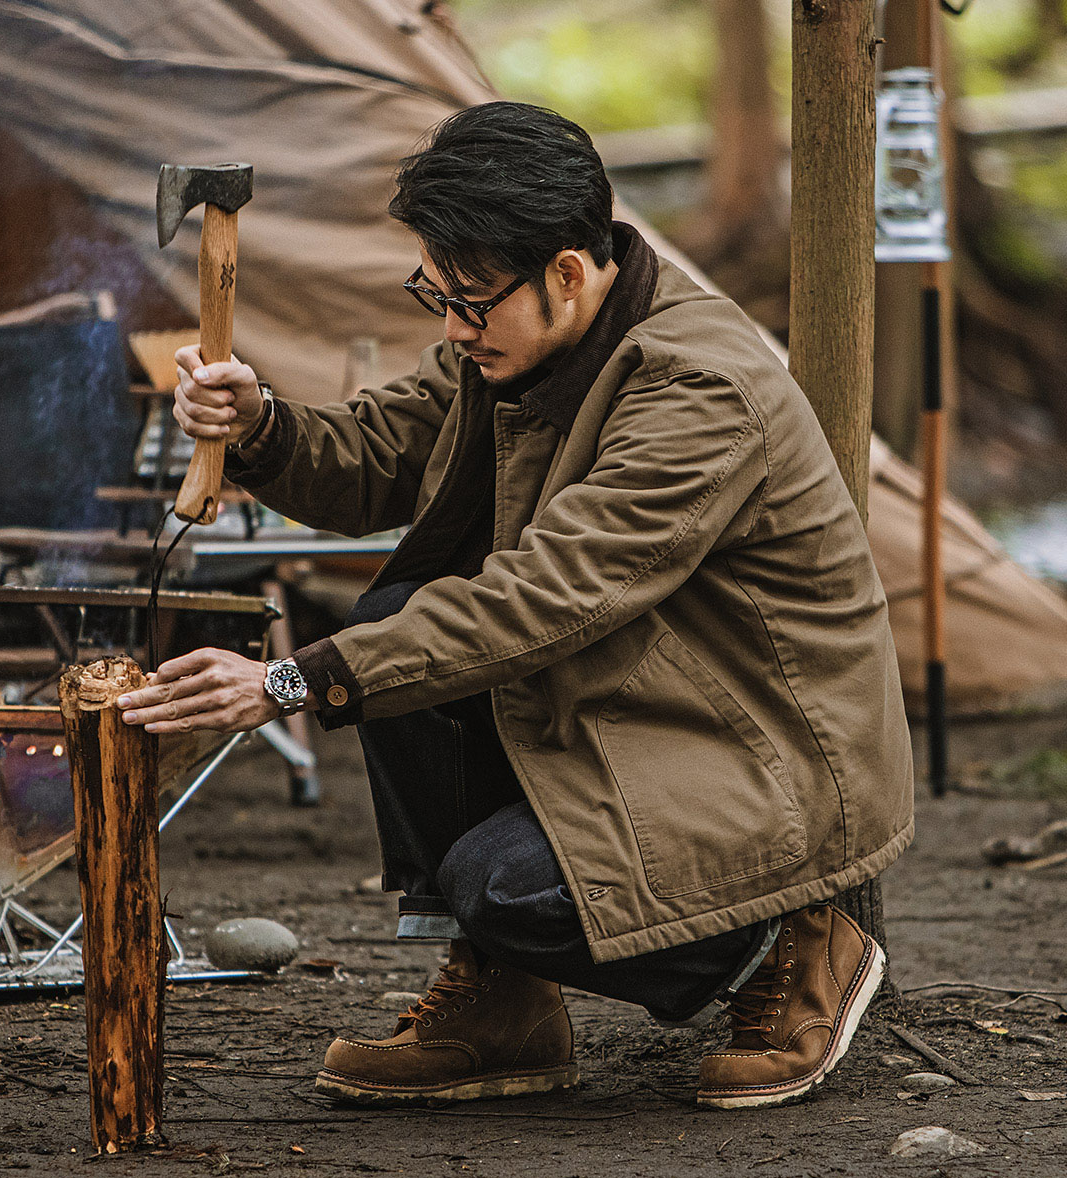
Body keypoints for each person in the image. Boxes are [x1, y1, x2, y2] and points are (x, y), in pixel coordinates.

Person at [118, 101, 914, 1110]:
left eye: (470, 303)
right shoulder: (511, 342)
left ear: (568, 274)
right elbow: (372, 456)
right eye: (436, 295)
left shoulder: (699, 387)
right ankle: (503, 1004)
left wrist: (287, 680)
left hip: (757, 750)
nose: (451, 327)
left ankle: (791, 939)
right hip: (626, 704)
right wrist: (260, 424)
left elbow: (544, 597)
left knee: (503, 888)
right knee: (389, 625)